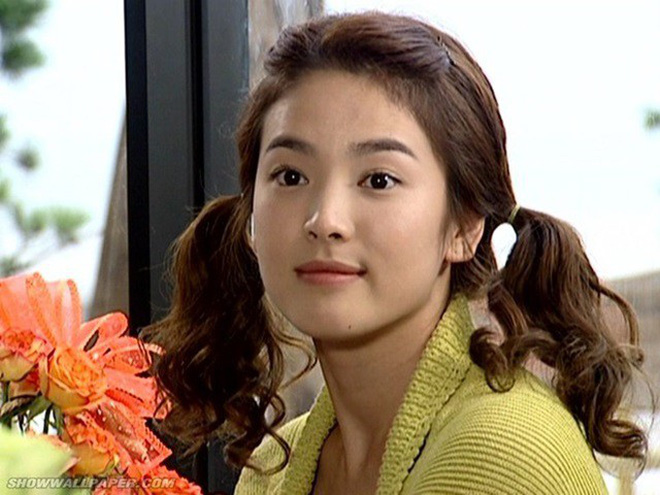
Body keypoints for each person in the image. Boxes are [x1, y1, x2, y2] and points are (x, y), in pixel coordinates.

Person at [144, 11, 648, 495]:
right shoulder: (276, 471)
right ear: (251, 213)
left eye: (379, 180)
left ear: (465, 225)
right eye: (291, 176)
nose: (325, 220)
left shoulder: (504, 455)